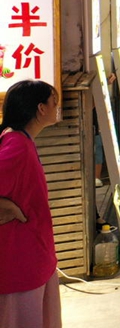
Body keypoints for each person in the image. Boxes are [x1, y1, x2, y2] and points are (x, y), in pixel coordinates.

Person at [0, 80, 62, 328]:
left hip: (33, 256)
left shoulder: (19, 140)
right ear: (40, 108)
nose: (57, 107)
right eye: (53, 102)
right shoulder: (17, 145)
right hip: (21, 263)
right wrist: (10, 207)